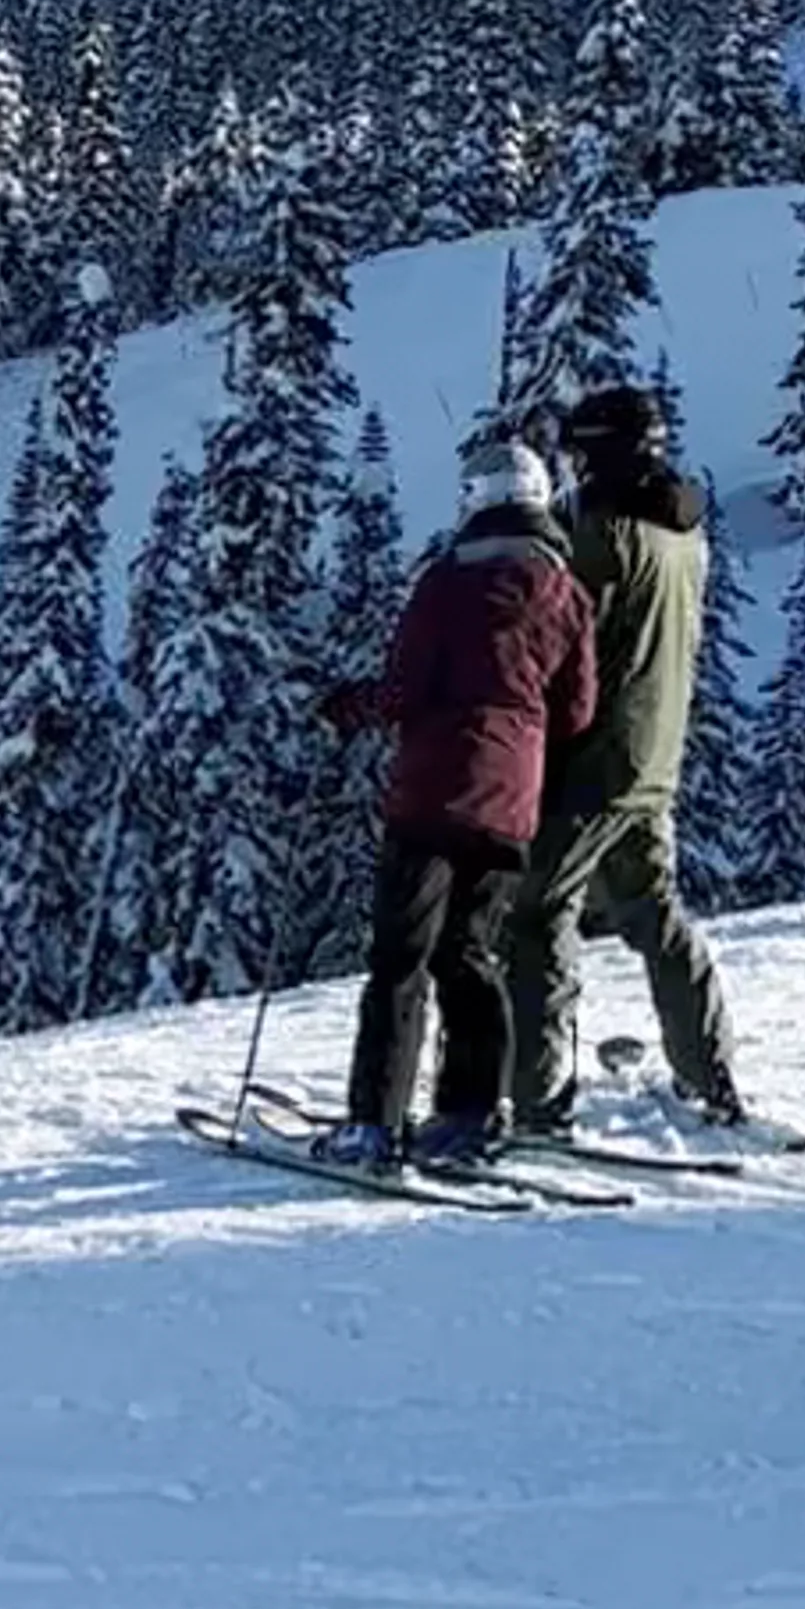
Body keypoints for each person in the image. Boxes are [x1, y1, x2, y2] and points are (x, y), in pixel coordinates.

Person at [318, 431, 595, 1170]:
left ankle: (373, 1121)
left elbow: (405, 687)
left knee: (399, 960)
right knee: (471, 955)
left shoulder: (444, 583)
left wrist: (352, 705)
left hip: (431, 794)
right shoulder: (566, 593)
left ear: (475, 501)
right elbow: (576, 711)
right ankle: (468, 1114)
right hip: (510, 803)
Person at [503, 379, 748, 1136]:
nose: (570, 467)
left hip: (591, 761)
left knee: (539, 916)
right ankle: (710, 1075)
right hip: (654, 760)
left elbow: (550, 642)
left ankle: (537, 1100)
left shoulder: (602, 537)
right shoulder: (684, 534)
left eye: (578, 452)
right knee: (656, 915)